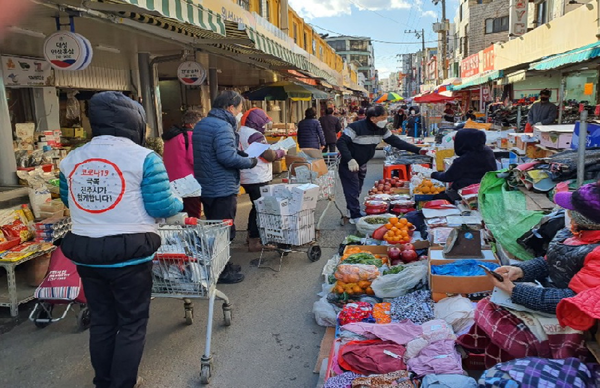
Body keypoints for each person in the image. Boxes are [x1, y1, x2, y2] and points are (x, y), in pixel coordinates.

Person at [58, 92, 183, 388]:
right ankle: (124, 383)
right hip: (130, 253)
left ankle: (103, 381)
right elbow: (161, 207)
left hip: (86, 251)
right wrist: (177, 201)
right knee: (132, 322)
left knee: (102, 321)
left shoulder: (72, 158)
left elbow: (69, 199)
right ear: (135, 122)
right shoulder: (144, 158)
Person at [458, 181, 600, 369]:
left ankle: (510, 371)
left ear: (585, 218)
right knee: (488, 304)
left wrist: (515, 291)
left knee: (511, 331)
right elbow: (549, 261)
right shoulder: (573, 232)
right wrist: (521, 271)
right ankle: (480, 355)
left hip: (574, 314)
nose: (567, 212)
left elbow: (573, 300)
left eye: (571, 209)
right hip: (553, 292)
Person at [193, 90, 258, 284]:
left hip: (206, 184)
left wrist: (240, 155)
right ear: (230, 107)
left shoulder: (203, 124)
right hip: (221, 186)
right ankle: (221, 271)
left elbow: (216, 153)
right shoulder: (222, 127)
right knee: (223, 231)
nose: (239, 112)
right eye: (239, 108)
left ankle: (223, 265)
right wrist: (250, 162)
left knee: (215, 228)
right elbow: (226, 157)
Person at [337, 105, 425, 224]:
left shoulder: (382, 130)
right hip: (350, 164)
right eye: (383, 117)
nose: (385, 120)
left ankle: (351, 210)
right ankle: (354, 215)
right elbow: (341, 142)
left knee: (357, 188)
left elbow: (396, 142)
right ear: (373, 118)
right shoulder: (355, 127)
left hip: (362, 163)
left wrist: (418, 150)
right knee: (352, 189)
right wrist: (349, 159)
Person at [238, 108, 286, 252]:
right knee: (260, 208)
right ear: (256, 122)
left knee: (255, 207)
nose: (265, 126)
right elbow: (268, 156)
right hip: (256, 175)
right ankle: (254, 240)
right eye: (263, 122)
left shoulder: (241, 131)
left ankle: (250, 236)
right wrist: (281, 152)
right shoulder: (254, 135)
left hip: (246, 174)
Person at [429, 128, 497, 202]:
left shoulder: (464, 160)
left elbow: (448, 177)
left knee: (436, 198)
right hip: (486, 189)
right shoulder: (487, 152)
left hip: (465, 192)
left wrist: (433, 174)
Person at [161, 110, 203, 218]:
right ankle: (193, 234)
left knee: (179, 216)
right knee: (193, 214)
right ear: (193, 124)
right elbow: (194, 159)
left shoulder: (170, 137)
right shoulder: (190, 136)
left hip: (171, 181)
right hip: (189, 183)